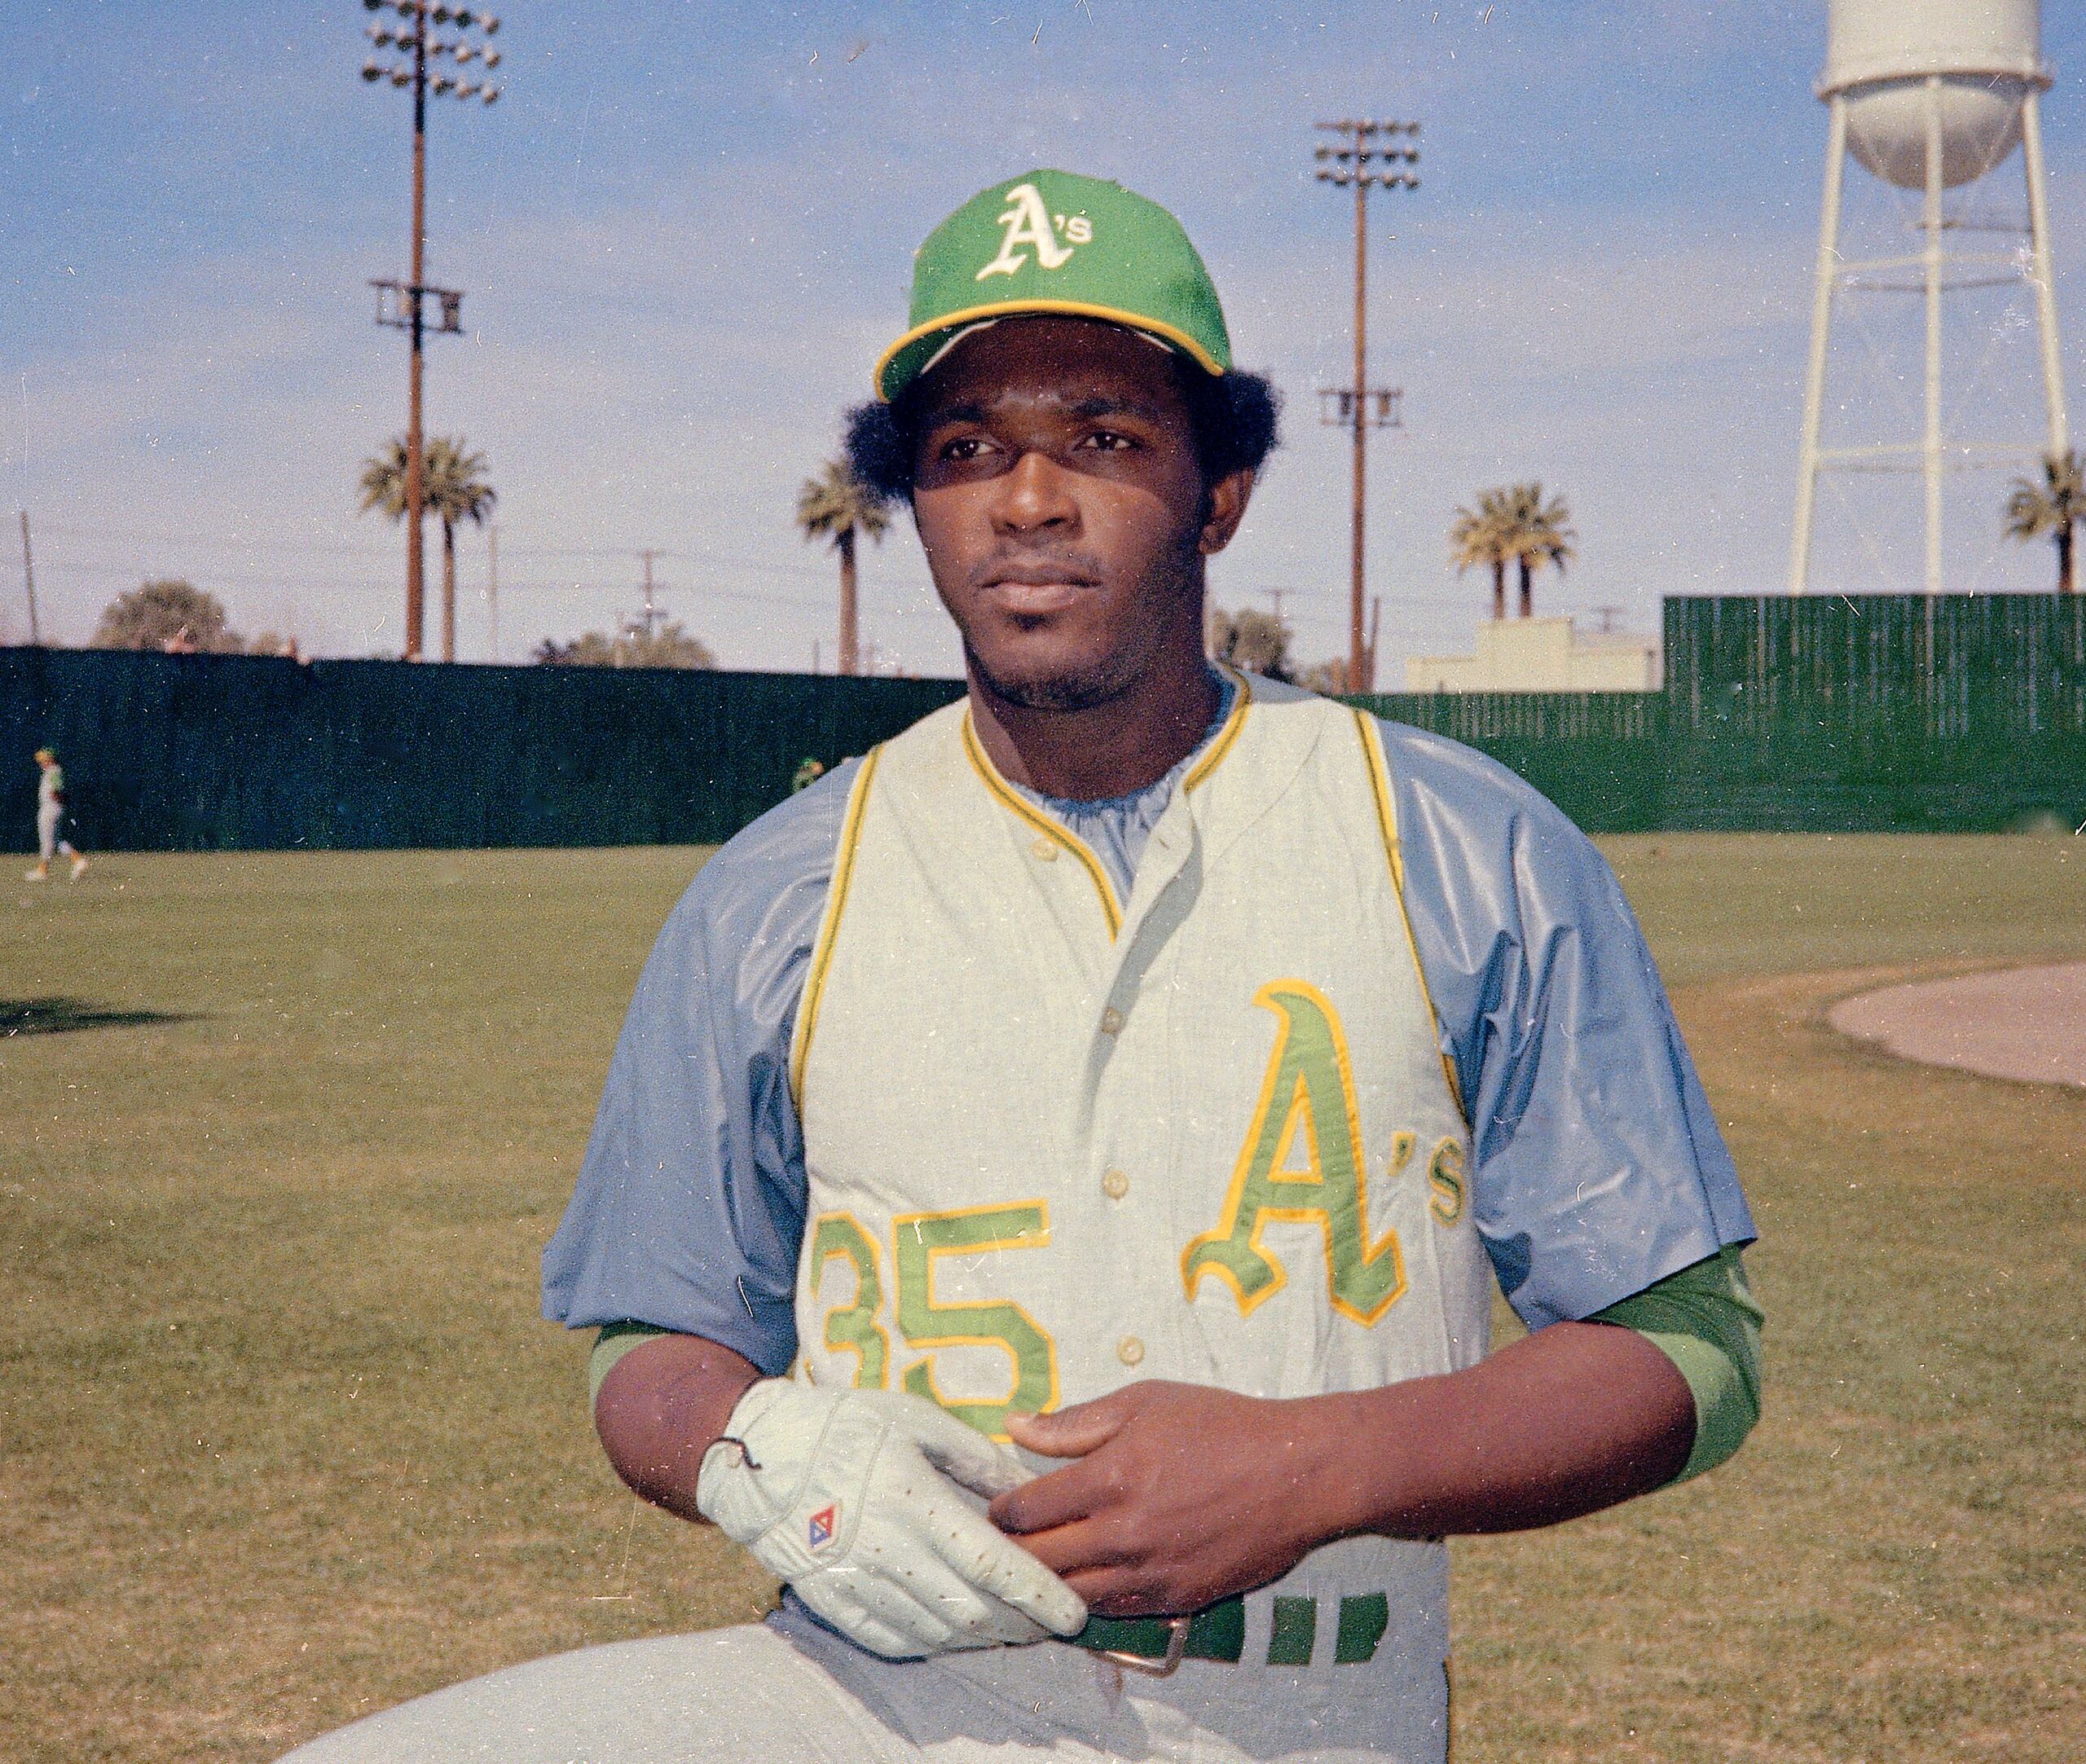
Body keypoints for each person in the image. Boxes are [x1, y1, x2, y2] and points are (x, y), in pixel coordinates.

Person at [282, 170, 1762, 1764]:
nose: (1025, 497)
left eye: (1105, 436)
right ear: (912, 495)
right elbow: (649, 1337)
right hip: (874, 1691)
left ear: (1220, 489)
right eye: (966, 448)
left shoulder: (1464, 845)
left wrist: (1317, 1467)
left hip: (1306, 1711)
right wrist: (756, 1445)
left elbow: (1686, 1350)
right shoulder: (778, 888)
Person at [25, 748, 88, 882]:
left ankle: (43, 871)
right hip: (54, 808)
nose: (41, 762)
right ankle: (78, 861)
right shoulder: (52, 771)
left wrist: (55, 798)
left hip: (50, 808)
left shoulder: (54, 771)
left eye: (43, 759)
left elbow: (56, 790)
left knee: (47, 841)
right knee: (58, 841)